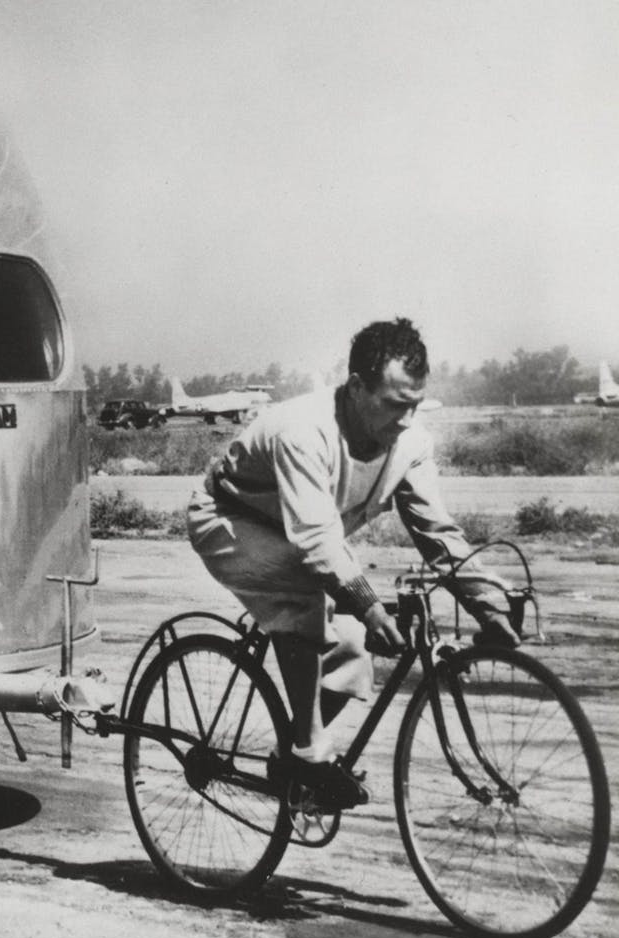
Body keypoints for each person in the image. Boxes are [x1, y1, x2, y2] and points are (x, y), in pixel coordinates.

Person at [187, 318, 518, 809]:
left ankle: (288, 759)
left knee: (352, 656)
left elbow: (437, 533)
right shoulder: (304, 429)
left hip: (299, 533)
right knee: (306, 589)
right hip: (229, 520)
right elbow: (318, 543)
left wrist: (488, 603)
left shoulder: (410, 444)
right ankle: (307, 753)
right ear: (358, 387)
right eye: (394, 404)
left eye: (415, 405)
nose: (405, 420)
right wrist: (369, 606)